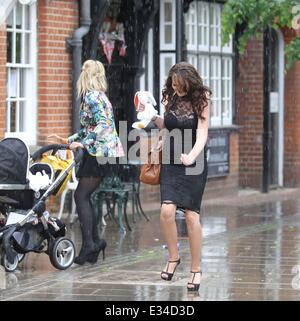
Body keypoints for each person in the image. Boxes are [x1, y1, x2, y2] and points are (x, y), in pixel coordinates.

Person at [48, 59, 125, 265]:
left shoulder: (92, 96)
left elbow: (103, 124)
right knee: (84, 196)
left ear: (88, 75)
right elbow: (90, 126)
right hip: (103, 151)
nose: (80, 75)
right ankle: (93, 243)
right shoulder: (100, 96)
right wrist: (70, 140)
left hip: (99, 152)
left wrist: (83, 143)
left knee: (81, 195)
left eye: (83, 71)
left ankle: (90, 244)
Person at [151, 62, 211, 292]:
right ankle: (174, 257)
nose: (176, 89)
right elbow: (167, 125)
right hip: (171, 160)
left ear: (190, 83)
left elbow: (202, 132)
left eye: (180, 85)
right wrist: (156, 126)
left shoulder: (202, 97)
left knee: (190, 217)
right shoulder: (170, 95)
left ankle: (195, 269)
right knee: (166, 211)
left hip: (193, 161)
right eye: (173, 84)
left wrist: (192, 156)